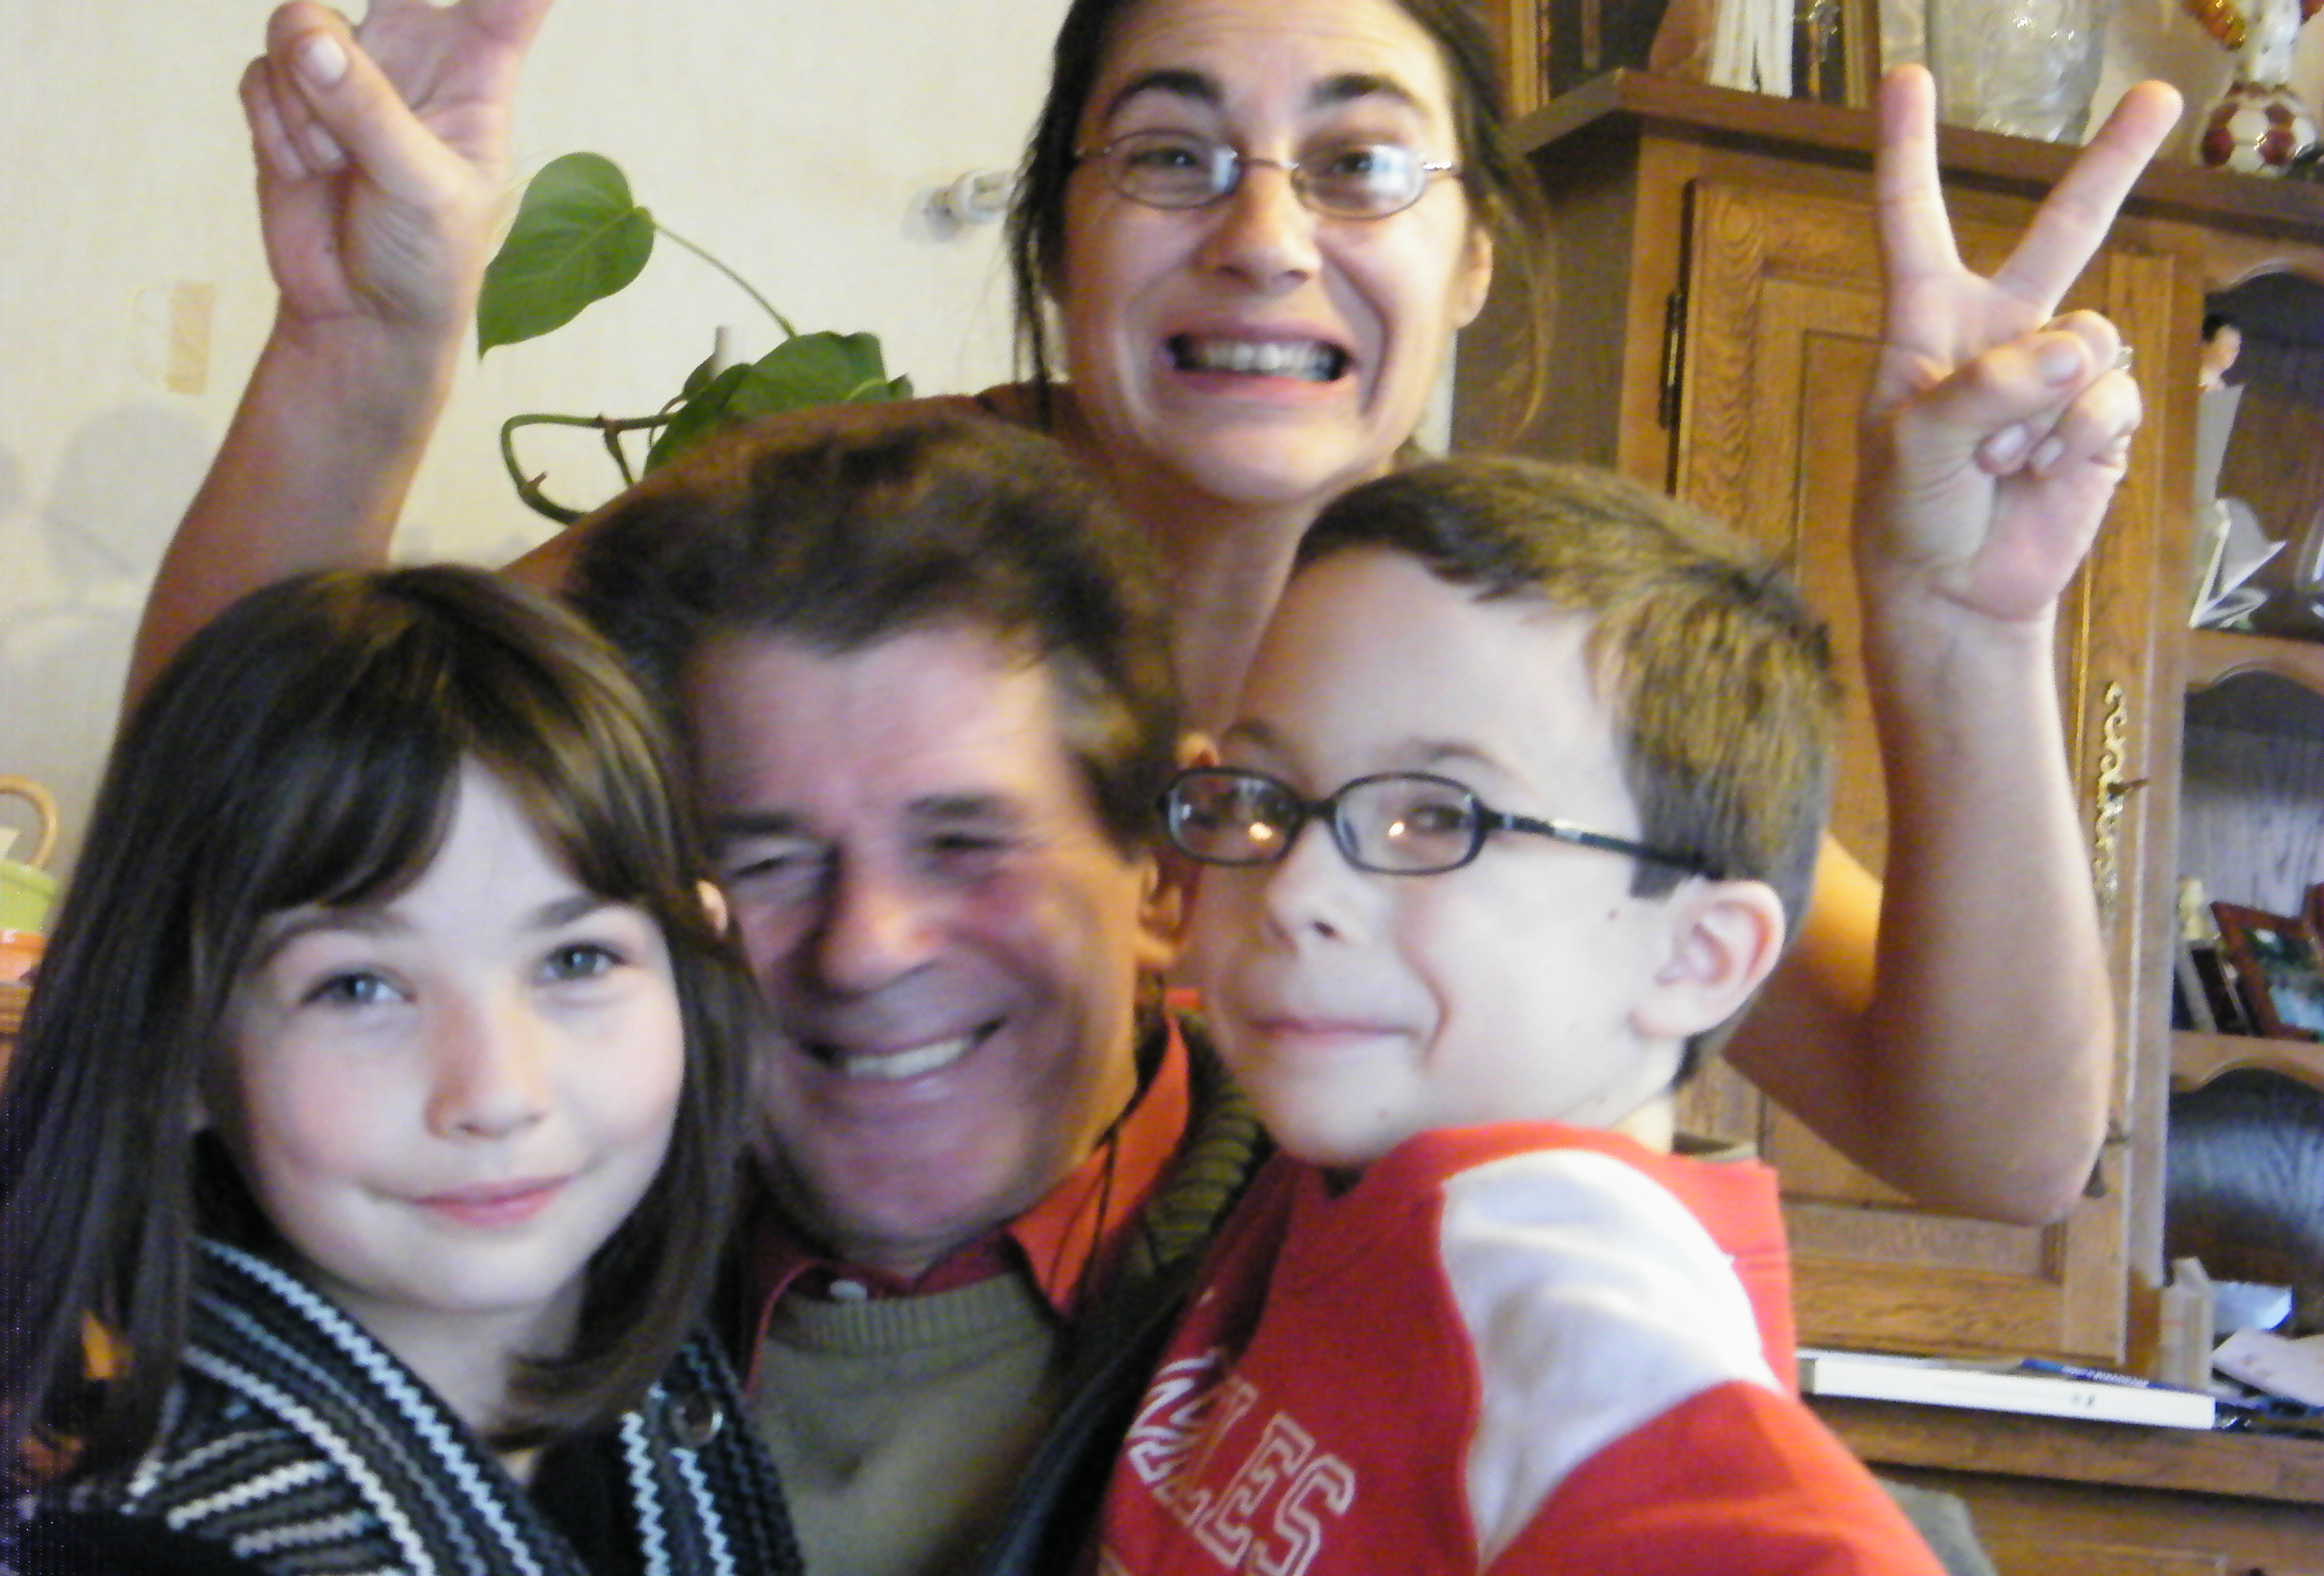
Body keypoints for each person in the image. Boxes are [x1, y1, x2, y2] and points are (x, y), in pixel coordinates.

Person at [138, 0, 2177, 1234]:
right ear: (1058, 235)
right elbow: (229, 813)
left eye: (1360, 164)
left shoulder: (1522, 659)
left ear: (1476, 258)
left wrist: (1963, 623)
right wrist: (364, 343)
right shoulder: (828, 554)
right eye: (1174, 154)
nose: (1266, 237)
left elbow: (1996, 1149)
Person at [1097, 456, 1940, 1573]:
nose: (1296, 893)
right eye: (1265, 801)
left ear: (1696, 955)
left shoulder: (1559, 1274)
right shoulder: (1365, 1179)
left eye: (1436, 821)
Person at [0, 567, 797, 1575]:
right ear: (177, 1051)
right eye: (358, 988)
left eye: (578, 961)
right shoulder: (157, 1550)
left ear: (692, 973)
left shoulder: (674, 1398)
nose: (498, 1093)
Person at [558, 403, 1264, 1575]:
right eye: (768, 862)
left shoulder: (1384, 1314)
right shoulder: (523, 1295)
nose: (864, 949)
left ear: (1164, 878)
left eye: (961, 845)